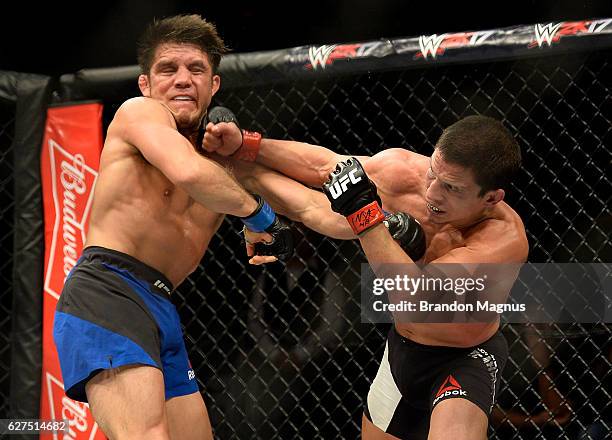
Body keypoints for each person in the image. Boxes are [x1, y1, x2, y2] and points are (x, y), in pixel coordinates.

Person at [204, 112, 529, 439]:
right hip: (403, 351)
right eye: (433, 174)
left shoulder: (501, 242)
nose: (433, 193)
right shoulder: (404, 172)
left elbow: (414, 300)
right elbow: (325, 169)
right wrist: (244, 148)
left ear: (491, 198)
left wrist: (366, 218)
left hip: (464, 358)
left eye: (452, 188)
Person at [52, 15, 292, 440]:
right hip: (109, 290)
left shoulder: (225, 161)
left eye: (196, 69)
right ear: (145, 84)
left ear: (213, 84)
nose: (182, 80)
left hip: (161, 305)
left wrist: (373, 215)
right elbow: (187, 172)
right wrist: (260, 216)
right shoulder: (137, 114)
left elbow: (315, 198)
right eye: (168, 69)